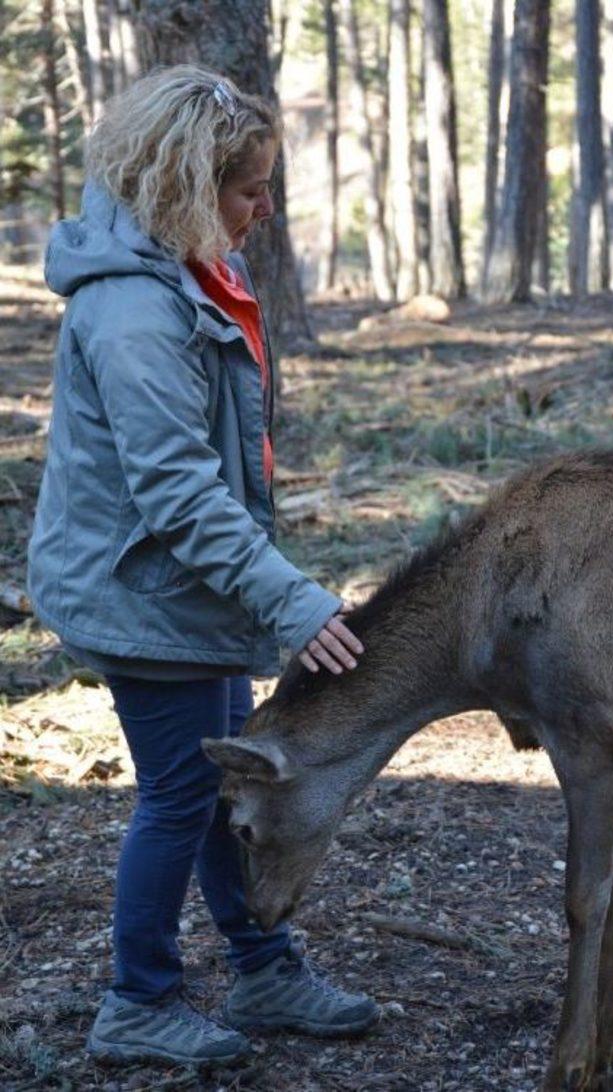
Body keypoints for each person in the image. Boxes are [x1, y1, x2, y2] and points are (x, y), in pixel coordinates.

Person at [27, 64, 378, 1067]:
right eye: (247, 190)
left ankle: (262, 966)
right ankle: (137, 1000)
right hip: (143, 593)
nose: (263, 210)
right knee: (181, 797)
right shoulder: (135, 313)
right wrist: (294, 603)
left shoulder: (178, 268)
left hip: (184, 589)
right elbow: (178, 496)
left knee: (226, 786)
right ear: (184, 181)